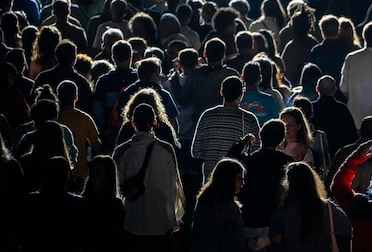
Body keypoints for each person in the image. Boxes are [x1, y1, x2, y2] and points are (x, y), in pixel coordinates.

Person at [113, 103, 183, 252]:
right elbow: (174, 185)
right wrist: (174, 218)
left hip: (132, 219)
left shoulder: (122, 151)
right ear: (155, 122)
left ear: (132, 123)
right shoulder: (166, 149)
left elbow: (116, 188)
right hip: (160, 221)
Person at [232, 119, 292, 244]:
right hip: (275, 218)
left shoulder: (250, 160)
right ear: (281, 139)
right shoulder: (287, 161)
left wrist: (243, 142)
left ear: (260, 135)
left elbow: (231, 157)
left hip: (250, 216)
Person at [270, 162, 352, 252]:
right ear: (312, 181)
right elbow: (348, 228)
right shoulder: (327, 208)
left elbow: (275, 241)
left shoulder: (282, 213)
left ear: (289, 183)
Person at [190, 158, 268, 252]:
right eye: (239, 179)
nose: (242, 183)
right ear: (228, 179)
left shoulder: (204, 200)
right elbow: (237, 243)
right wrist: (259, 241)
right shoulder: (229, 208)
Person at [192, 76, 260, 181]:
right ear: (241, 94)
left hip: (210, 179)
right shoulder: (249, 119)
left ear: (222, 92)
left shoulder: (207, 116)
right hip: (235, 180)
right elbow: (256, 152)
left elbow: (196, 152)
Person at [81, 155, 125, 252]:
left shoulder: (114, 206)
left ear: (107, 176)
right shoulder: (82, 201)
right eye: (92, 170)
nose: (93, 174)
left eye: (98, 171)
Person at [311, 75, 359, 157]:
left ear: (317, 89)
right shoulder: (342, 109)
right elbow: (352, 136)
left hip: (316, 155)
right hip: (339, 155)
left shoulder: (311, 109)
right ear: (335, 90)